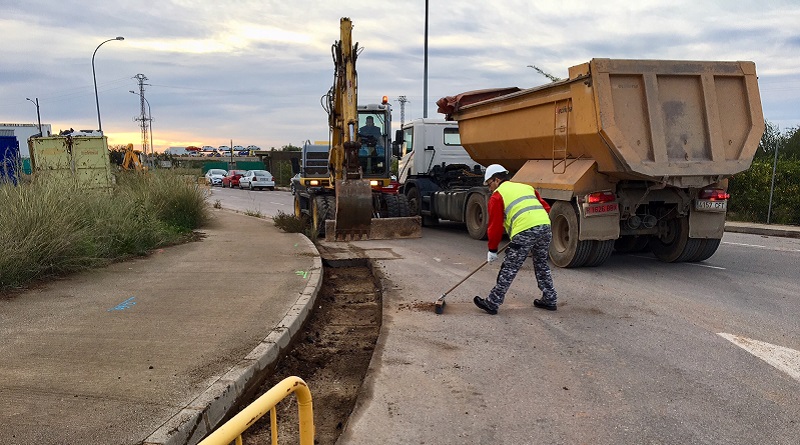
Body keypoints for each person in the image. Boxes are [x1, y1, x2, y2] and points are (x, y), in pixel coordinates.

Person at [473, 164, 558, 315]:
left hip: (525, 230)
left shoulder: (498, 195)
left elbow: (495, 226)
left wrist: (492, 249)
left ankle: (492, 302)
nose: (489, 188)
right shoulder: (526, 187)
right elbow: (545, 208)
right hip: (544, 227)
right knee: (541, 263)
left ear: (497, 179)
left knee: (510, 267)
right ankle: (550, 298)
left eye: (489, 184)